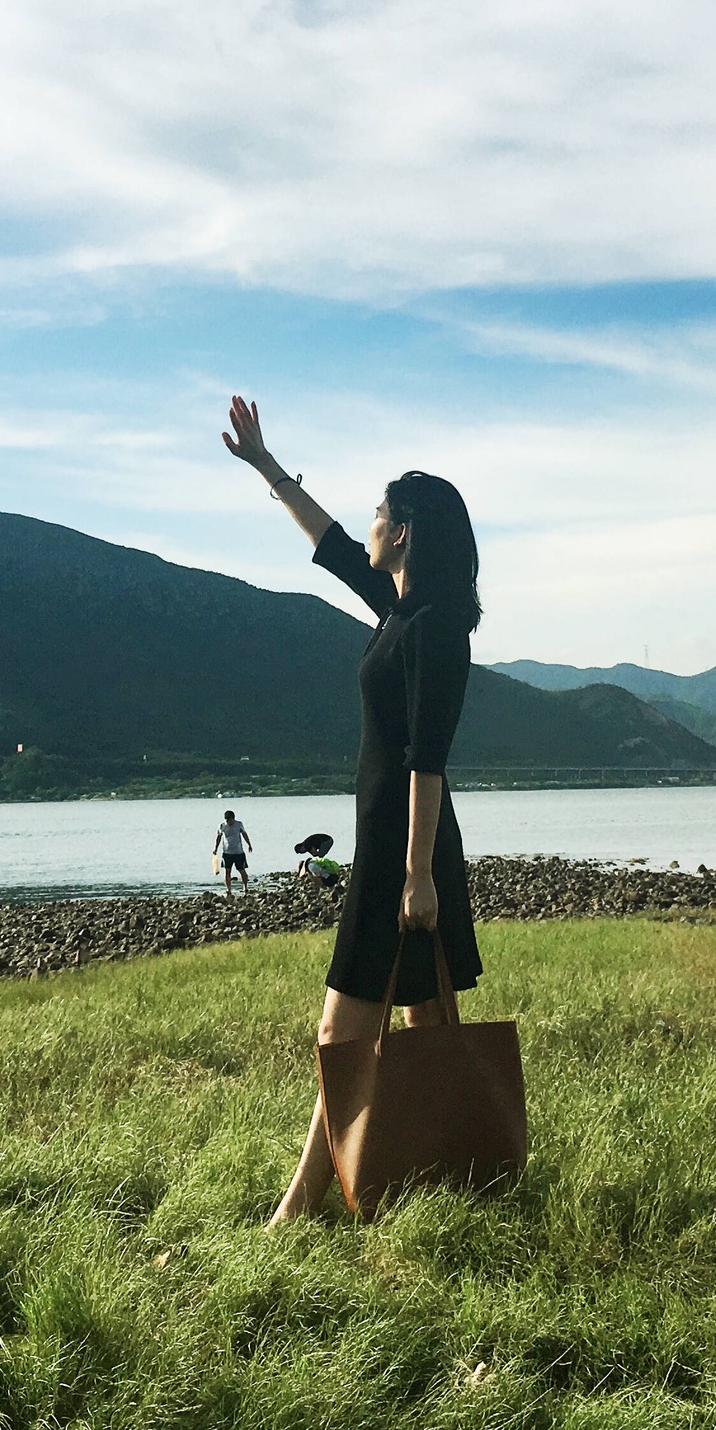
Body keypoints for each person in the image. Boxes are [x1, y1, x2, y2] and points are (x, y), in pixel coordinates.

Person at [223, 395, 484, 1227]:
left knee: (346, 1031)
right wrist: (266, 467)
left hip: (405, 853)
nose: (369, 523)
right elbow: (331, 542)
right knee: (424, 1020)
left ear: (403, 532)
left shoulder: (436, 629)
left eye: (380, 513)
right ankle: (436, 1177)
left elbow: (427, 758)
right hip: (393, 847)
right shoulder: (399, 609)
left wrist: (415, 875)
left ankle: (300, 1210)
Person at [214, 809, 254, 894]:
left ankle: (245, 887)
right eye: (226, 820)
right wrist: (215, 848)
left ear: (233, 818)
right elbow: (219, 837)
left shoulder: (239, 824)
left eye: (229, 820)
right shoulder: (222, 826)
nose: (228, 822)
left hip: (238, 852)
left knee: (242, 870)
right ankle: (228, 889)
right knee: (227, 871)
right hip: (227, 853)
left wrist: (249, 844)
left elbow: (244, 834)